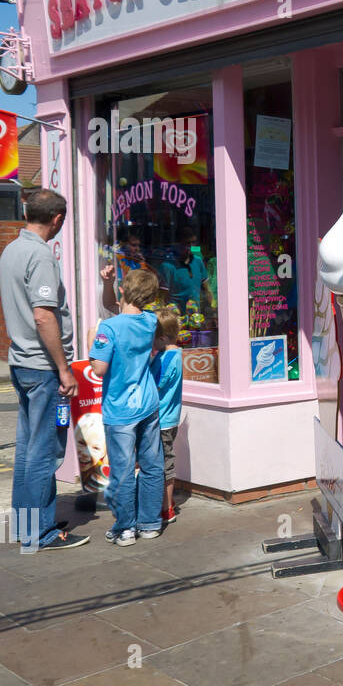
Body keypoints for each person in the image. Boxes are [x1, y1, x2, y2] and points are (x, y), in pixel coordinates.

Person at [0, 189, 86, 550]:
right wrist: (64, 370)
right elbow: (43, 314)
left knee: (28, 448)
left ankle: (27, 524)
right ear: (57, 219)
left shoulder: (11, 250)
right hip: (43, 367)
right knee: (45, 451)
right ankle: (41, 532)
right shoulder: (40, 256)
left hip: (20, 362)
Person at [90, 267, 163, 545]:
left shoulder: (109, 328)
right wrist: (107, 283)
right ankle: (149, 523)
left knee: (122, 470)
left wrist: (93, 343)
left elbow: (99, 368)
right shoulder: (150, 321)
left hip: (120, 409)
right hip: (148, 403)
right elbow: (115, 308)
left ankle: (125, 528)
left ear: (124, 290)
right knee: (151, 465)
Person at [151, 305, 184, 525]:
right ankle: (165, 505)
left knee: (164, 465)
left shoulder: (165, 359)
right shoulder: (178, 353)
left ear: (161, 338)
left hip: (161, 420)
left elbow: (156, 385)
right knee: (164, 462)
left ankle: (166, 507)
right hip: (169, 418)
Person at [159, 226, 210, 311]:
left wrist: (211, 308)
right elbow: (162, 297)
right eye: (186, 243)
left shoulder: (198, 261)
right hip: (176, 318)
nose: (190, 247)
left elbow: (207, 289)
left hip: (196, 317)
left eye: (193, 243)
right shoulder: (167, 266)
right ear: (177, 244)